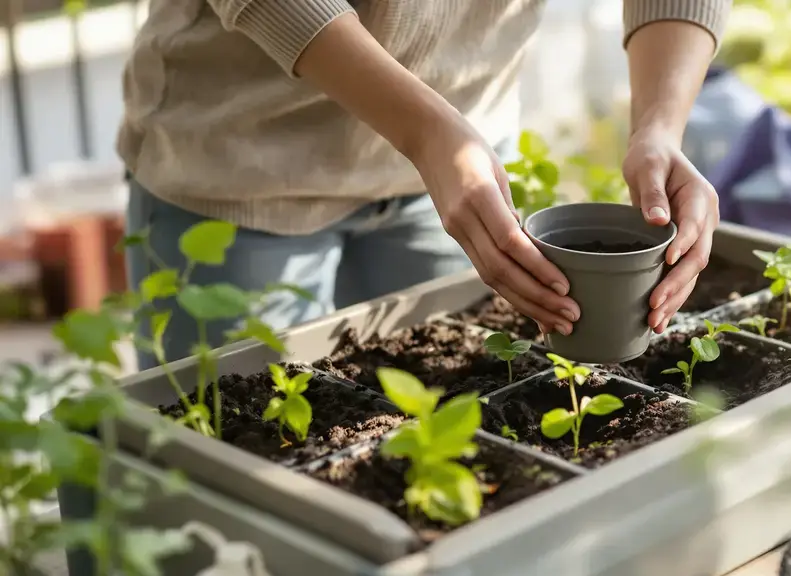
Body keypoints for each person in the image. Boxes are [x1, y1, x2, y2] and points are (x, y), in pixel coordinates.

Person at [120, 0, 730, 369]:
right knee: (227, 457)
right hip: (239, 163)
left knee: (436, 423)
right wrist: (429, 135)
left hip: (457, 168)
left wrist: (659, 127)